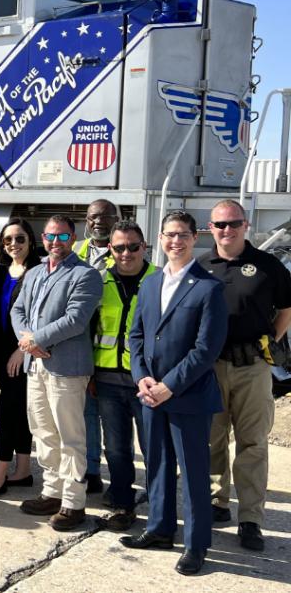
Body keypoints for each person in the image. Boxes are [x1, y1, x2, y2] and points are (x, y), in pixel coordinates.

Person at [122, 211, 227, 577]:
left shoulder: (209, 288)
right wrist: (143, 379)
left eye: (182, 235)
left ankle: (196, 545)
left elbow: (206, 349)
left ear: (194, 237)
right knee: (158, 465)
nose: (175, 242)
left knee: (194, 473)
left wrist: (169, 385)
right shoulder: (150, 284)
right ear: (160, 238)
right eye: (169, 235)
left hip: (188, 396)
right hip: (151, 394)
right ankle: (159, 529)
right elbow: (136, 336)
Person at [198, 199, 291, 552]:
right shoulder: (202, 265)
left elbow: (286, 308)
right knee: (212, 438)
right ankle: (217, 503)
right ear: (211, 228)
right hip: (211, 366)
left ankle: (251, 519)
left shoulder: (268, 266)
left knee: (252, 444)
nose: (227, 230)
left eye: (233, 223)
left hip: (252, 368)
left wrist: (272, 341)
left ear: (246, 225)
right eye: (219, 225)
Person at [10, 215, 102, 531]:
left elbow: (76, 319)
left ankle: (74, 503)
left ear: (73, 238)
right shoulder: (35, 272)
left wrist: (36, 339)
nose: (55, 243)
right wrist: (28, 341)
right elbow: (17, 310)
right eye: (50, 236)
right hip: (35, 365)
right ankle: (52, 492)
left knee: (70, 437)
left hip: (68, 370)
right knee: (43, 432)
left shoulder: (85, 275)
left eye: (62, 237)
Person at [93, 220, 155, 531]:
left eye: (133, 246)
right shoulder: (100, 281)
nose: (126, 253)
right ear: (110, 249)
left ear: (144, 247)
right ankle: (122, 505)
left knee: (154, 447)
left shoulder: (160, 280)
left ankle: (159, 510)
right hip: (106, 380)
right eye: (119, 247)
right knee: (115, 448)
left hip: (147, 382)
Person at [0, 218, 38, 499]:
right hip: (0, 351)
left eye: (20, 239)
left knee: (6, 410)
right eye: (8, 239)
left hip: (22, 352)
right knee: (18, 411)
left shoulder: (37, 271)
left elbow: (40, 315)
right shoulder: (1, 271)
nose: (14, 244)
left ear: (31, 241)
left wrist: (21, 349)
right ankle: (23, 469)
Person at [74, 199, 119, 493]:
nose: (98, 222)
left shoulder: (126, 251)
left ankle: (120, 478)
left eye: (105, 216)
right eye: (93, 217)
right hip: (80, 350)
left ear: (118, 218)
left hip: (115, 355)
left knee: (115, 424)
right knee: (86, 415)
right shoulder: (75, 251)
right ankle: (91, 471)